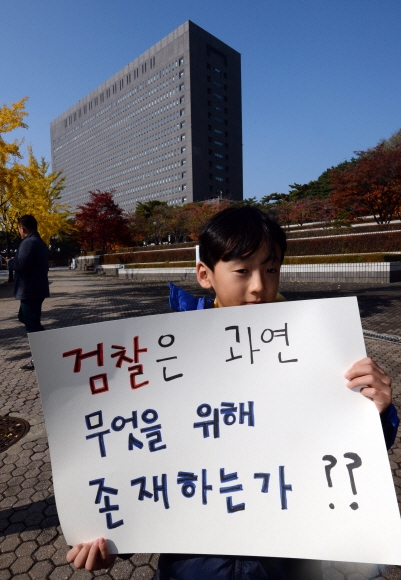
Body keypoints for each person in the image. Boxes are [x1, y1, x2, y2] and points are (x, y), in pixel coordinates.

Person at [66, 206, 399, 578]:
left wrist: (377, 411)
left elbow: (349, 456)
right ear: (204, 275)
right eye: (242, 270)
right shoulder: (165, 362)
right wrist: (113, 538)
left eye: (270, 269)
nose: (259, 286)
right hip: (192, 565)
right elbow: (141, 458)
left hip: (286, 560)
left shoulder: (319, 350)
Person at [8, 214, 49, 370]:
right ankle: (46, 344)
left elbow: (21, 266)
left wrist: (10, 262)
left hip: (29, 290)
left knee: (31, 325)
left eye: (18, 229)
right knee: (25, 318)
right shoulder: (40, 242)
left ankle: (41, 355)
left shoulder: (28, 243)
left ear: (22, 228)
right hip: (36, 289)